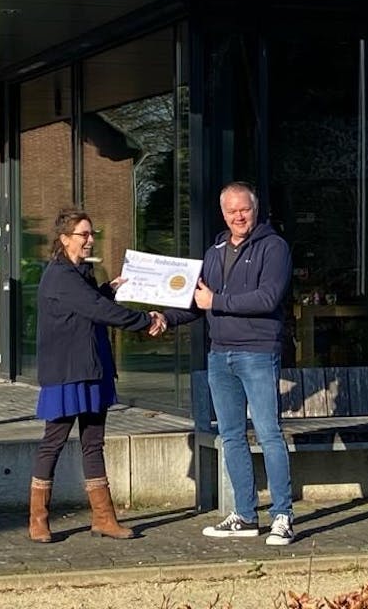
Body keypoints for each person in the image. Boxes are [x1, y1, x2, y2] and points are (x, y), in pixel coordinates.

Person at [156, 182, 295, 545]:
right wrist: (165, 318)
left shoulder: (274, 247)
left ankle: (282, 516)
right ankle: (245, 516)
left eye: (244, 209)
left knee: (269, 434)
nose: (238, 216)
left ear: (255, 209)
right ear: (223, 213)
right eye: (232, 210)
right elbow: (197, 302)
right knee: (231, 436)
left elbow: (267, 298)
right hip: (220, 355)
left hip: (258, 352)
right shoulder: (214, 252)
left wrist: (216, 301)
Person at [28, 209, 161, 543]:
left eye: (91, 234)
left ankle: (104, 518)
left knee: (93, 443)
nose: (90, 240)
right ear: (64, 239)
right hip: (66, 373)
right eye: (83, 234)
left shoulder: (80, 273)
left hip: (92, 367)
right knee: (53, 442)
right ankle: (38, 520)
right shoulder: (60, 275)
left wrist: (108, 289)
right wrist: (146, 321)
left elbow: (90, 304)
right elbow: (97, 310)